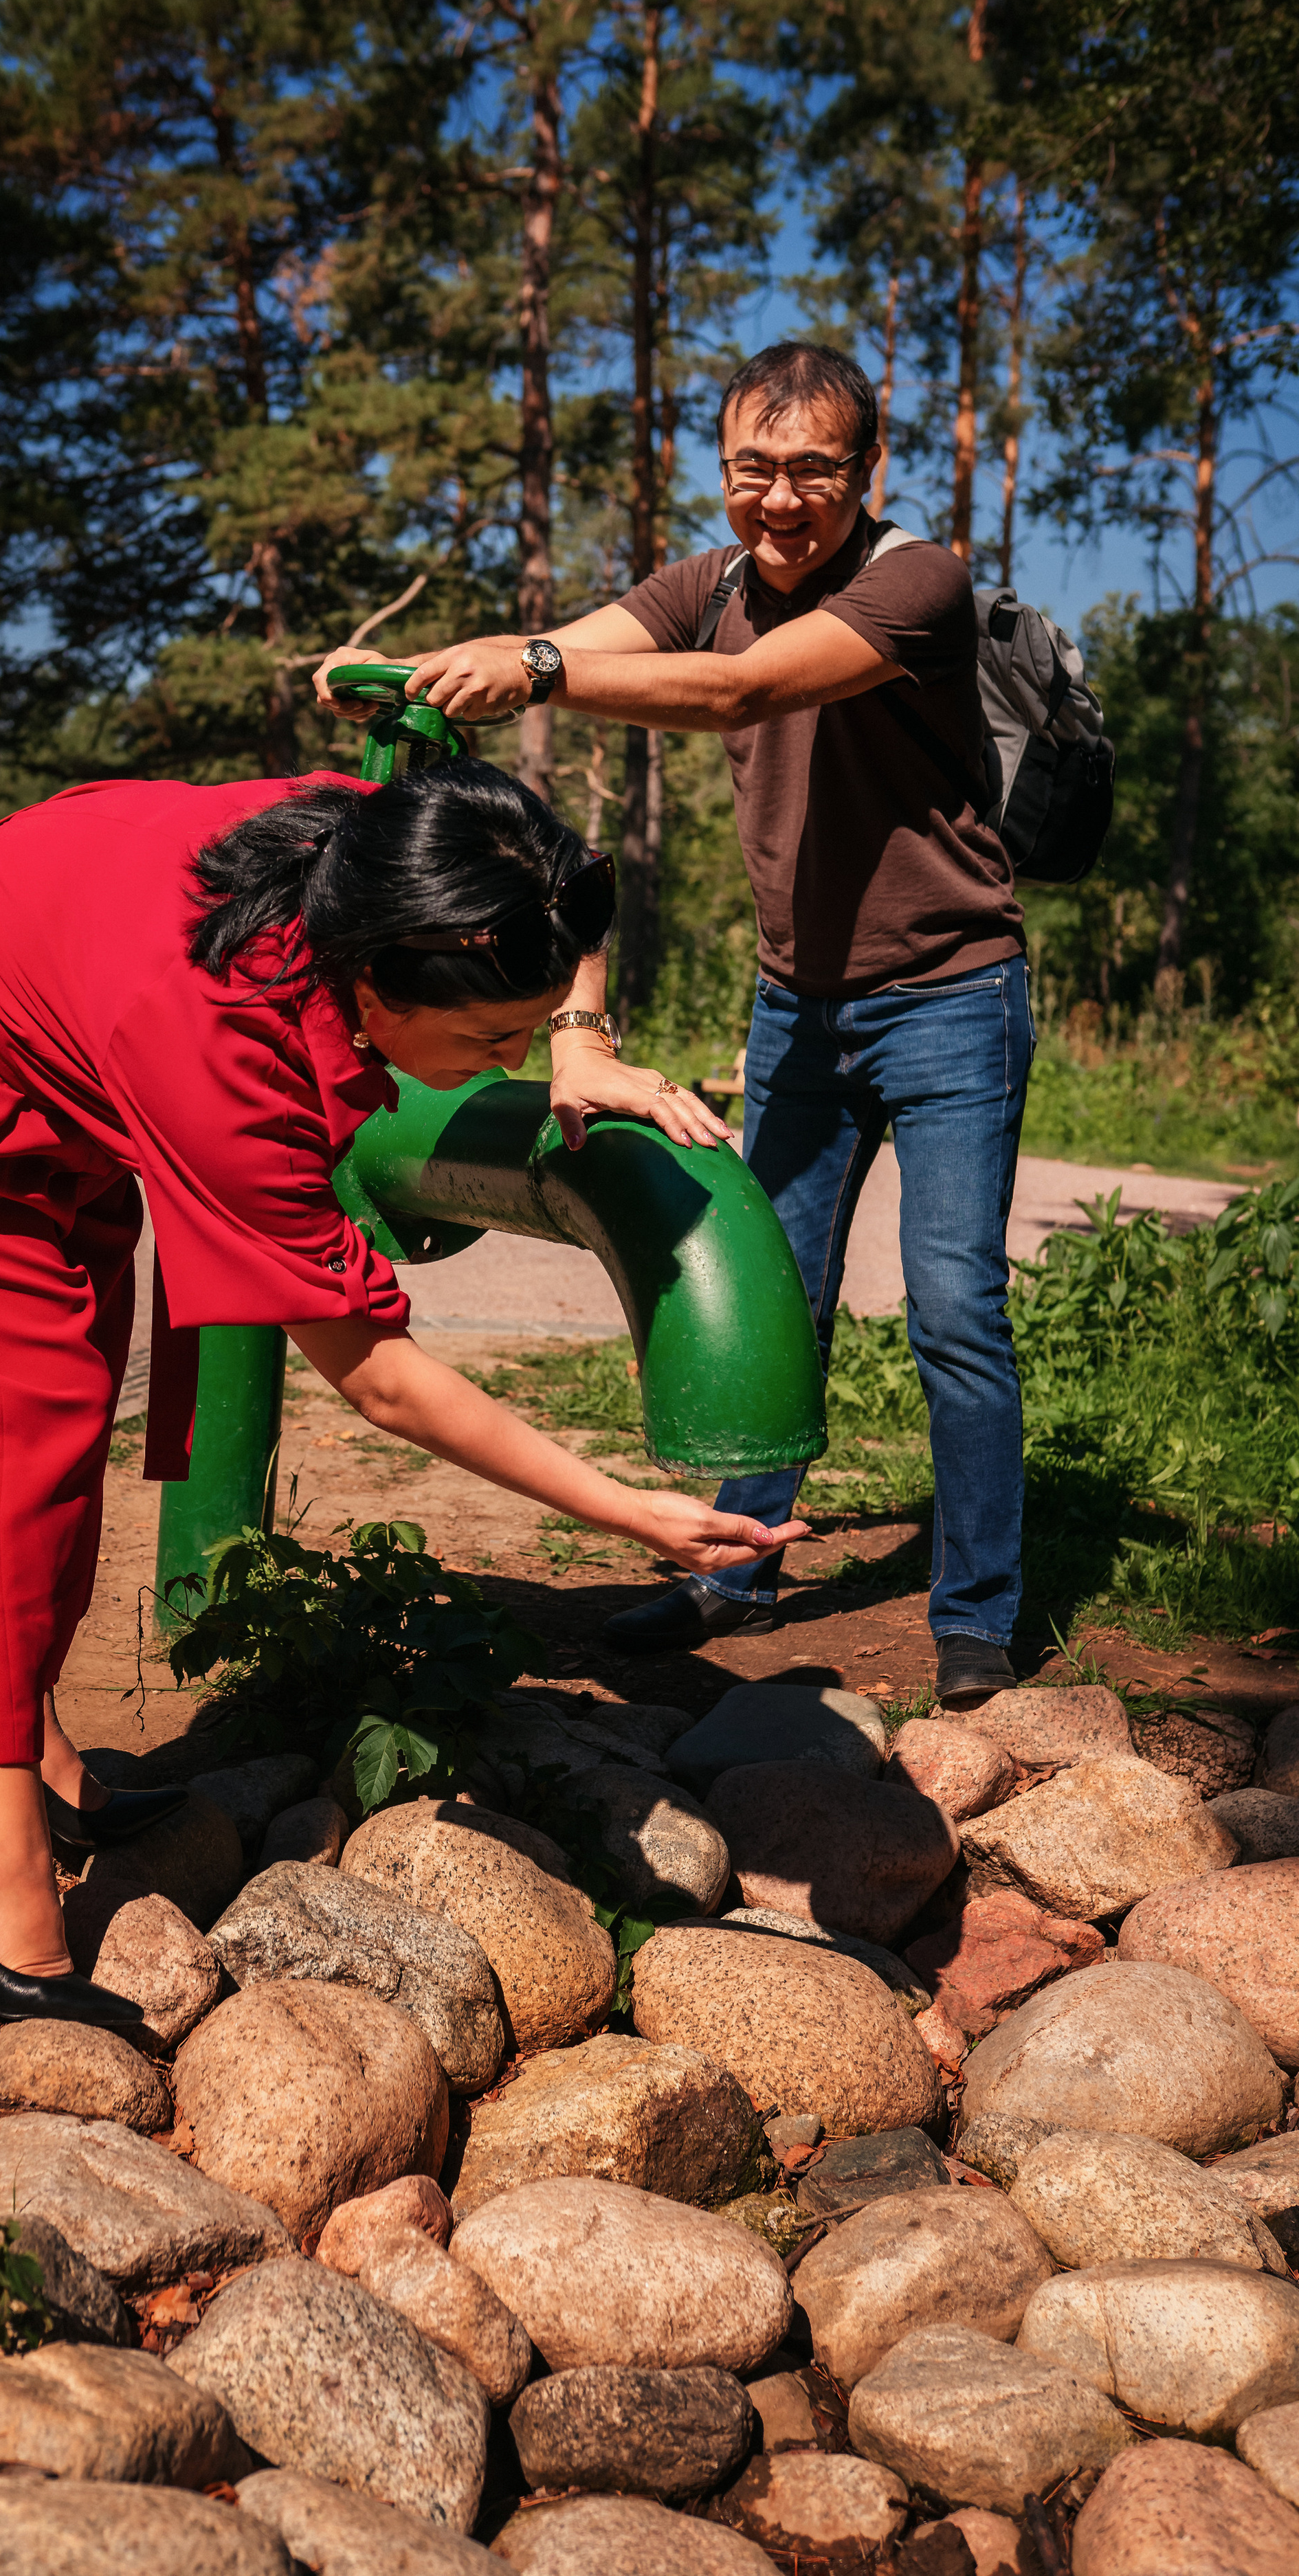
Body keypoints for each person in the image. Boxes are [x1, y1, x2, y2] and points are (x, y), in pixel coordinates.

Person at [0, 759, 808, 2028]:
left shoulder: (410, 850)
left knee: (77, 1385)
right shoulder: (220, 1047)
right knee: (22, 1414)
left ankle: (32, 1745)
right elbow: (375, 1374)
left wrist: (578, 1041)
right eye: (490, 1040)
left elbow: (569, 881)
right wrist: (629, 1512)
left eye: (524, 1032)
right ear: (373, 976)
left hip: (54, 1018)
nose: (511, 1062)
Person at [317, 340, 1032, 1703]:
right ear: (720, 472)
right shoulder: (702, 585)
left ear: (861, 472)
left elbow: (737, 692)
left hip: (951, 995)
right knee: (771, 1289)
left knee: (953, 1309)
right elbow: (565, 650)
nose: (778, 500)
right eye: (751, 471)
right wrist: (412, 672)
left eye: (810, 471)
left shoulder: (913, 581)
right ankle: (734, 1569)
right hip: (798, 1009)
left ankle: (976, 1615)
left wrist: (524, 668)